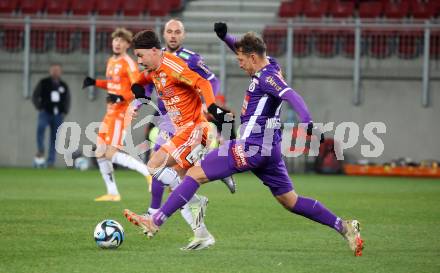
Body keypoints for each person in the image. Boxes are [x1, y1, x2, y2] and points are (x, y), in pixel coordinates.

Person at [123, 25, 365, 257]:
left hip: (251, 146)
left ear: (252, 57)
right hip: (270, 151)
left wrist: (308, 122)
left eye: (241, 59)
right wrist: (226, 37)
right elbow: (247, 50)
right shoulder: (268, 64)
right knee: (290, 201)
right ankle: (343, 226)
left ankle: (156, 221)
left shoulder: (266, 78)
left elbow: (290, 93)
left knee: (194, 174)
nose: (238, 63)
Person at [124, 29, 233, 250]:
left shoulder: (172, 66)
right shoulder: (154, 68)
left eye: (141, 55)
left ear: (155, 51)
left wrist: (211, 106)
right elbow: (143, 79)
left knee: (154, 165)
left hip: (193, 129)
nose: (139, 60)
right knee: (183, 186)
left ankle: (212, 175)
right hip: (180, 131)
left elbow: (202, 83)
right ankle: (202, 235)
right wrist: (137, 93)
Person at [82, 28, 151, 202]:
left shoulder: (128, 63)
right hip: (110, 113)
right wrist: (95, 82)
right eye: (115, 40)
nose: (117, 43)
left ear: (128, 44)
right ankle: (112, 193)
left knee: (111, 153)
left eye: (121, 41)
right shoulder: (111, 61)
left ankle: (147, 172)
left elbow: (137, 88)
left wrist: (121, 97)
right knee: (99, 152)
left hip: (122, 112)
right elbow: (114, 85)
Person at [32, 63, 71, 168]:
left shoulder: (63, 85)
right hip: (45, 112)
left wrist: (64, 111)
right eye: (53, 70)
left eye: (57, 70)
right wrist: (39, 107)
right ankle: (41, 148)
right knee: (41, 128)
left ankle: (50, 162)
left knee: (54, 138)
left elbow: (67, 99)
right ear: (50, 71)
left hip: (58, 114)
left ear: (60, 72)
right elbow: (35, 96)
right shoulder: (43, 82)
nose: (55, 72)